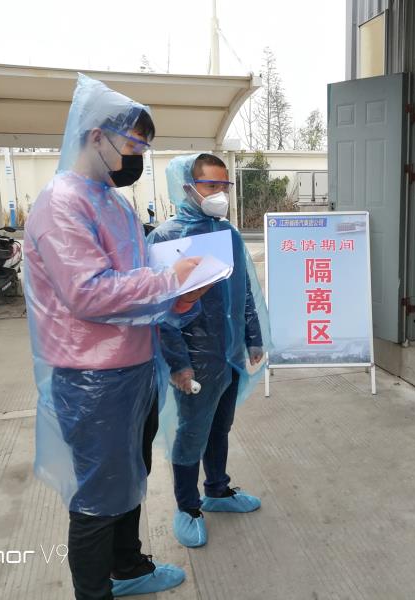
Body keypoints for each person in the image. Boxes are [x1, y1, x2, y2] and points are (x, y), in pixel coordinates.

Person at [24, 74, 206, 600]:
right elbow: (88, 292)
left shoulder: (113, 202)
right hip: (92, 378)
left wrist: (176, 297)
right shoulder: (62, 204)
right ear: (96, 136)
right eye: (133, 146)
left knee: (130, 479)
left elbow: (135, 279)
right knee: (98, 500)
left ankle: (128, 568)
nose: (138, 159)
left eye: (144, 149)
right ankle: (94, 591)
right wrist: (168, 282)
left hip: (133, 368)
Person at [148, 153, 268, 548]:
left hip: (229, 355)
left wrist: (252, 337)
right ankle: (187, 507)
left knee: (220, 426)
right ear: (188, 187)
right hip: (195, 361)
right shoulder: (168, 238)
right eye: (210, 185)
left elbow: (244, 290)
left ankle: (217, 489)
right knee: (192, 432)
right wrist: (178, 365)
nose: (220, 194)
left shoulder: (229, 234)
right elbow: (161, 312)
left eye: (224, 186)